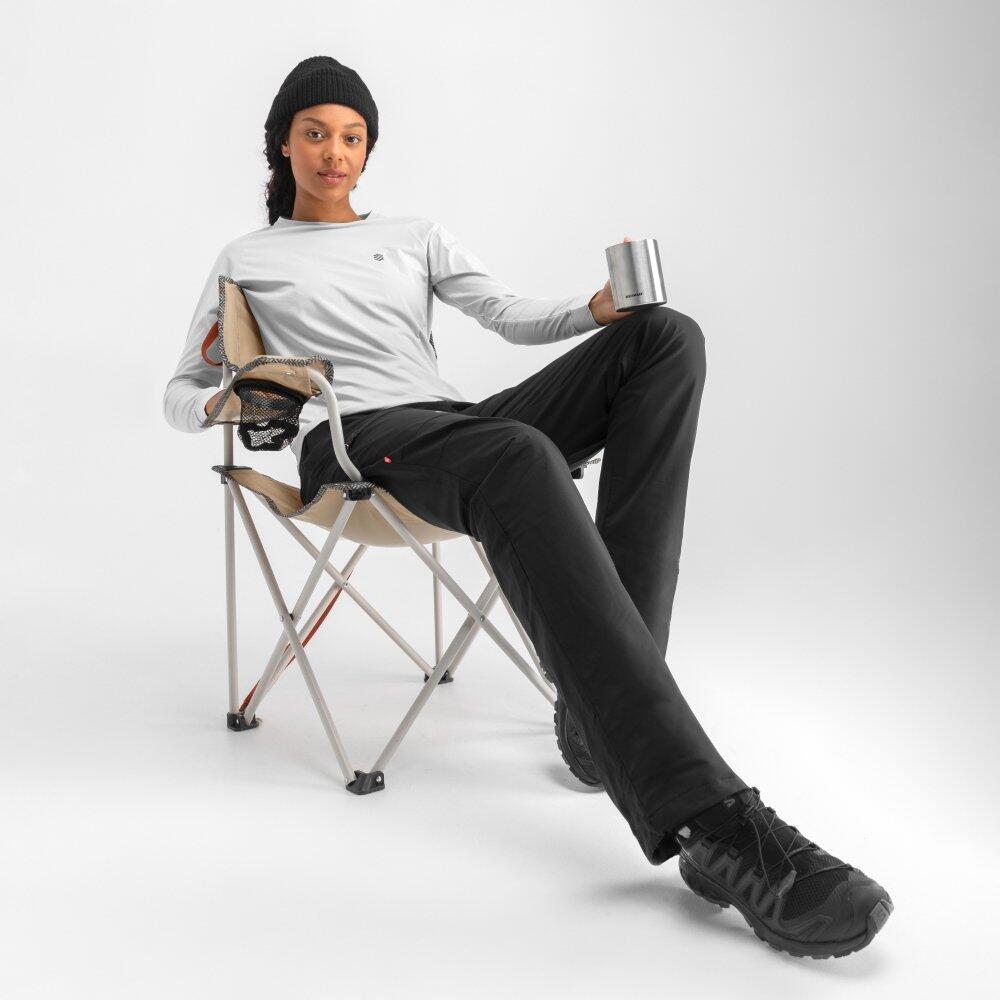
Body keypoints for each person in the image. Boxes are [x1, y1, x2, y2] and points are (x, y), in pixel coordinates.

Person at [163, 55, 894, 959]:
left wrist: (596, 310)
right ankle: (709, 820)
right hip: (352, 442)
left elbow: (506, 314)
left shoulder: (413, 234)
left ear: (369, 149)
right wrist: (227, 404)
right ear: (284, 143)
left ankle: (600, 720)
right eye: (315, 133)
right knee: (517, 453)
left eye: (352, 136)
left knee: (664, 339)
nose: (335, 152)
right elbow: (182, 387)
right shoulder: (249, 258)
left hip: (451, 423)